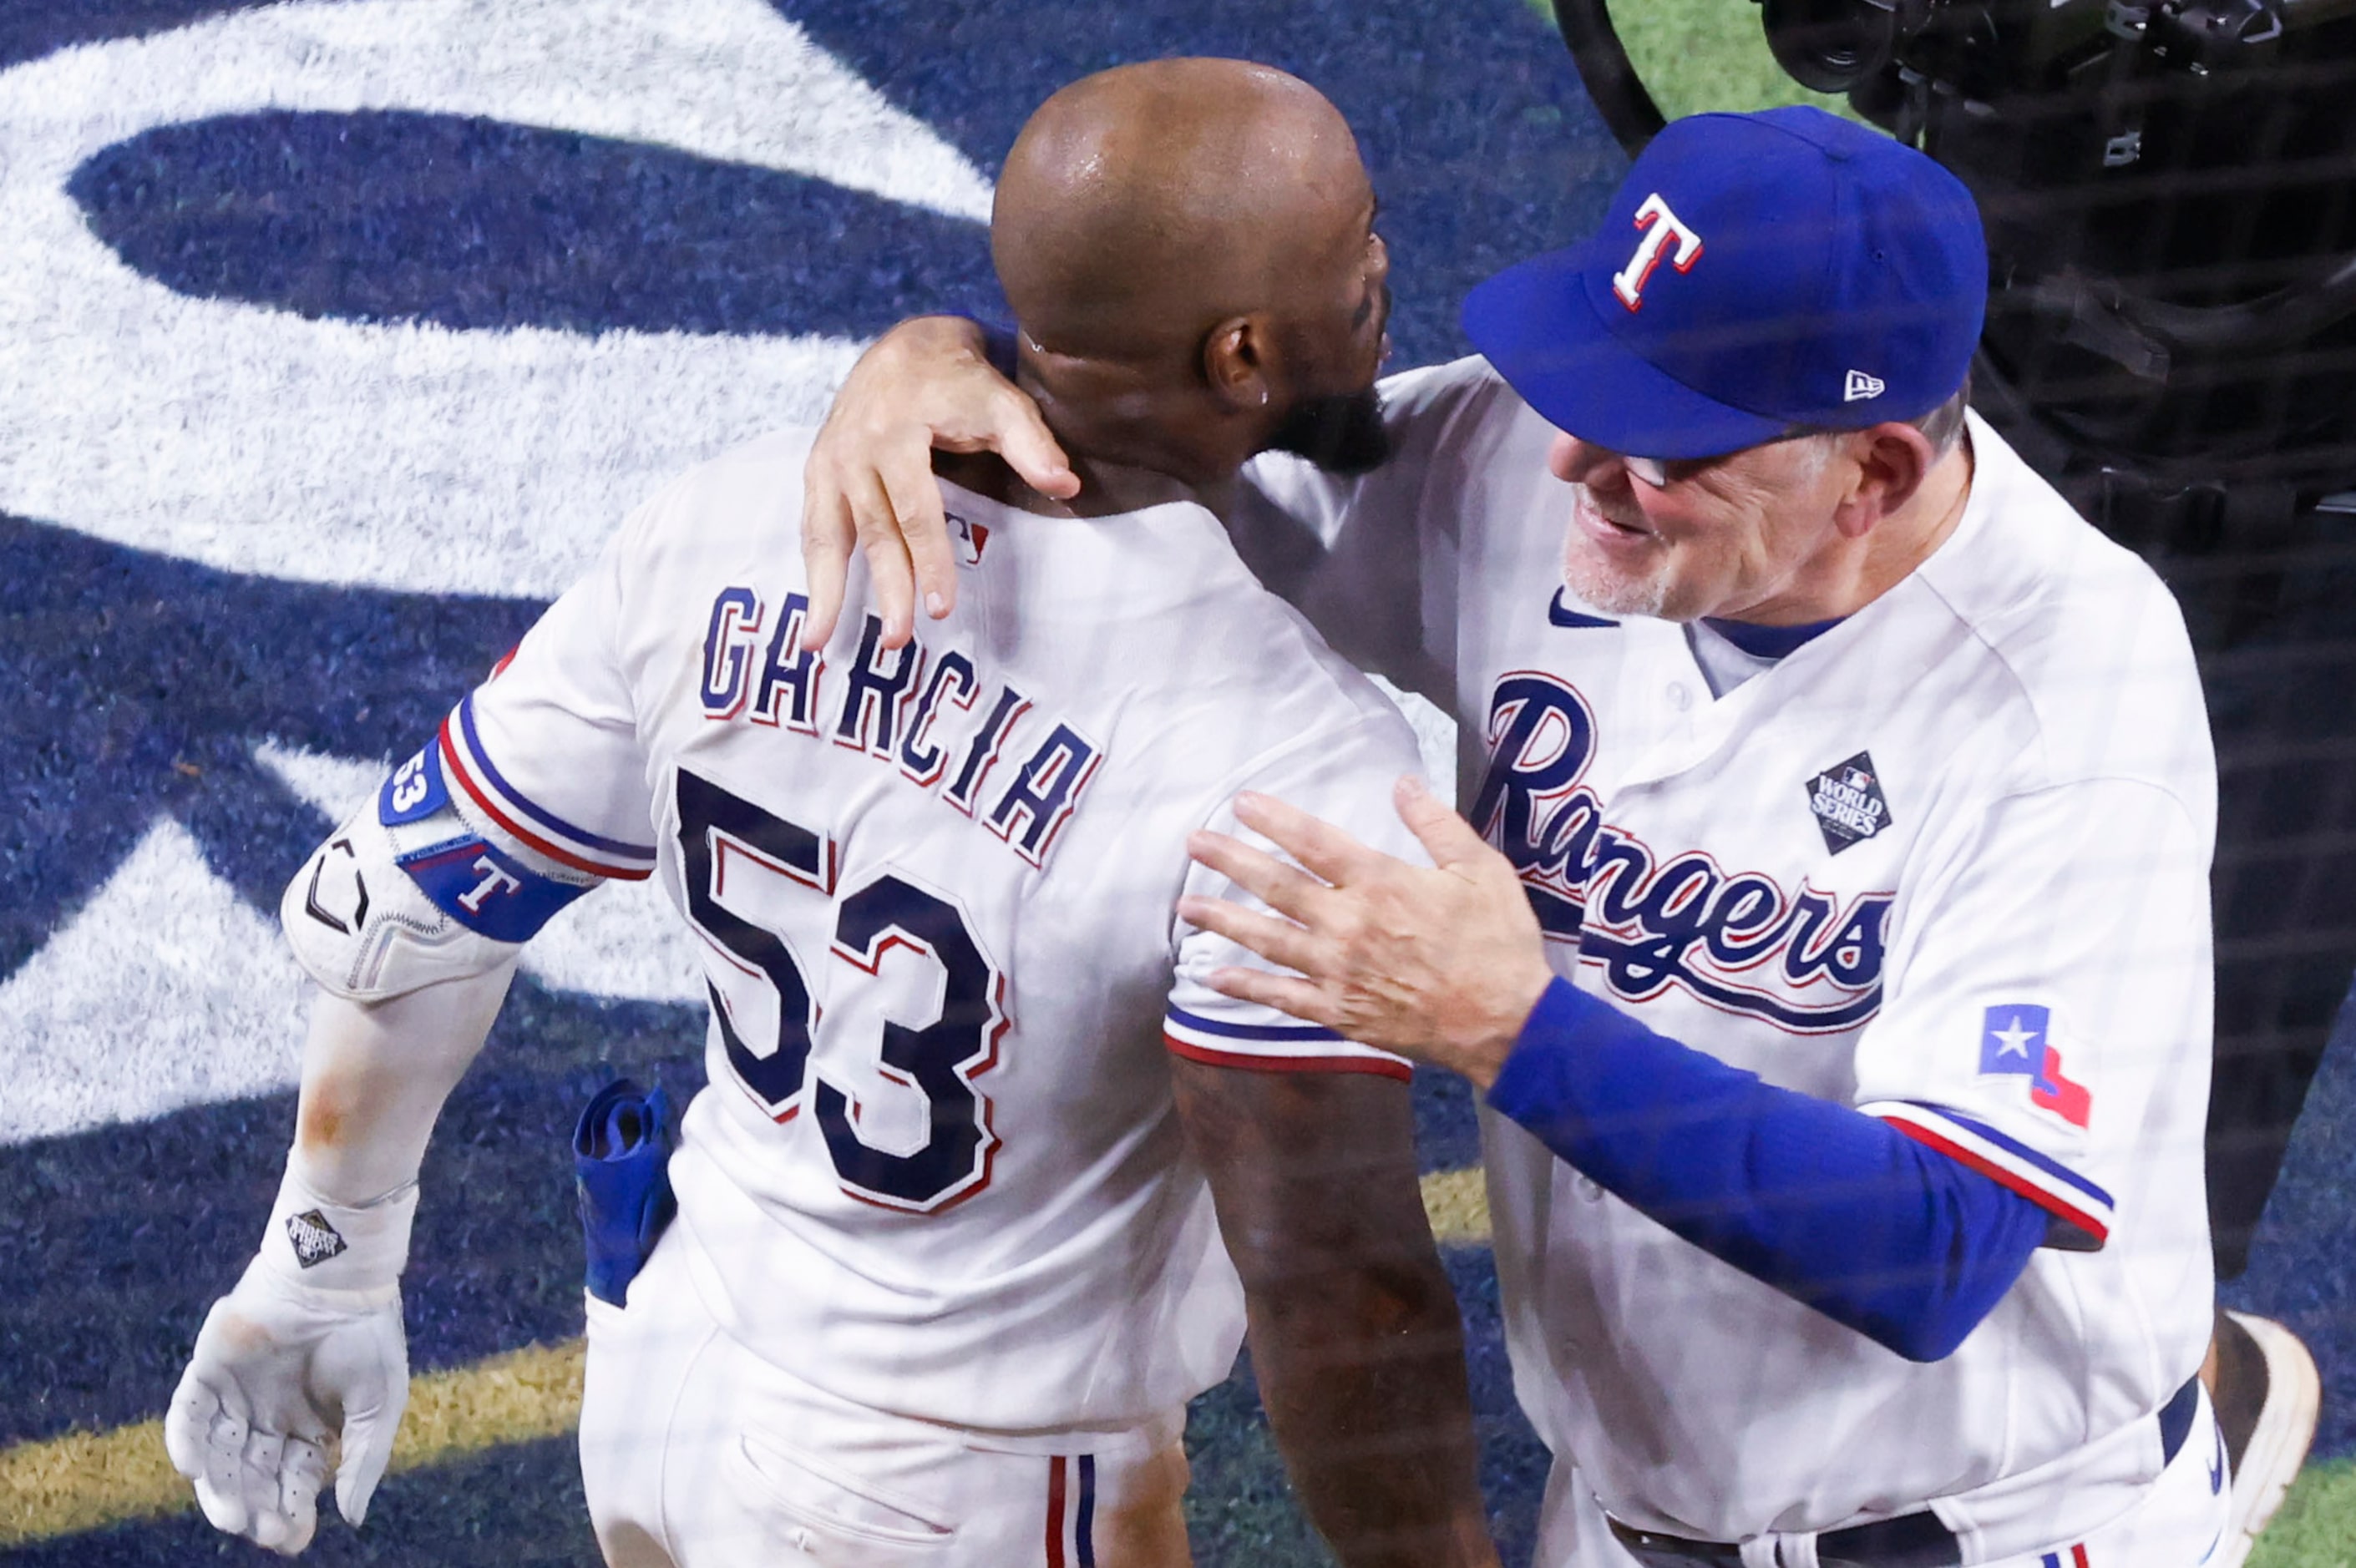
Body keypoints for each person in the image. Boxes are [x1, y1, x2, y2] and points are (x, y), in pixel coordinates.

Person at [798, 107, 2257, 1565]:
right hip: (1618, 1517)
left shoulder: (2067, 706)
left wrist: (1505, 1022)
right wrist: (945, 356)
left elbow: (1938, 1247)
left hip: (1983, 1532)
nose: (1570, 462)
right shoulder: (1532, 459)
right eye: (1583, 384)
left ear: (1868, 475)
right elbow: (1153, 456)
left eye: (1662, 442)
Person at [160, 58, 1501, 1568]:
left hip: (666, 1363)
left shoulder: (733, 517)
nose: (1382, 270)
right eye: (1358, 246)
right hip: (962, 1498)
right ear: (1243, 350)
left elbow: (398, 905)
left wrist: (321, 1261)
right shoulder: (1287, 745)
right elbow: (1337, 1288)